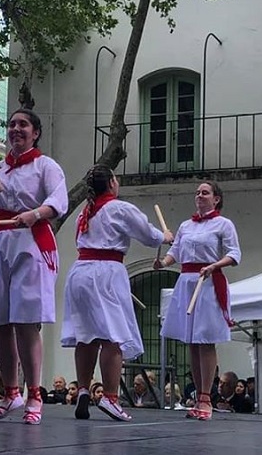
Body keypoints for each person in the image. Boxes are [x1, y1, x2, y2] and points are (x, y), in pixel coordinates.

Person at [0, 108, 67, 426]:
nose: (15, 129)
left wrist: (35, 214)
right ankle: (11, 393)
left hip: (30, 242)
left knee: (25, 320)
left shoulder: (45, 166)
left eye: (22, 124)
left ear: (35, 132)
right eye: (11, 125)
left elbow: (58, 201)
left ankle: (34, 393)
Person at [60, 165, 172, 421]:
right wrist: (164, 236)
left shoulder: (85, 213)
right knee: (113, 335)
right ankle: (110, 397)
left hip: (80, 272)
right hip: (106, 272)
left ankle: (84, 390)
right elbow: (147, 234)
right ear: (111, 183)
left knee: (86, 336)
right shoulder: (119, 208)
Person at [155, 181, 241, 421]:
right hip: (186, 281)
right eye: (197, 193)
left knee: (205, 339)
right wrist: (162, 263)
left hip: (208, 282)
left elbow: (235, 254)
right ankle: (198, 395)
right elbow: (177, 253)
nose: (200, 196)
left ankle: (206, 397)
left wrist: (214, 265)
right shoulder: (186, 225)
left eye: (205, 192)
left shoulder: (224, 224)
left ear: (216, 199)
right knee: (191, 340)